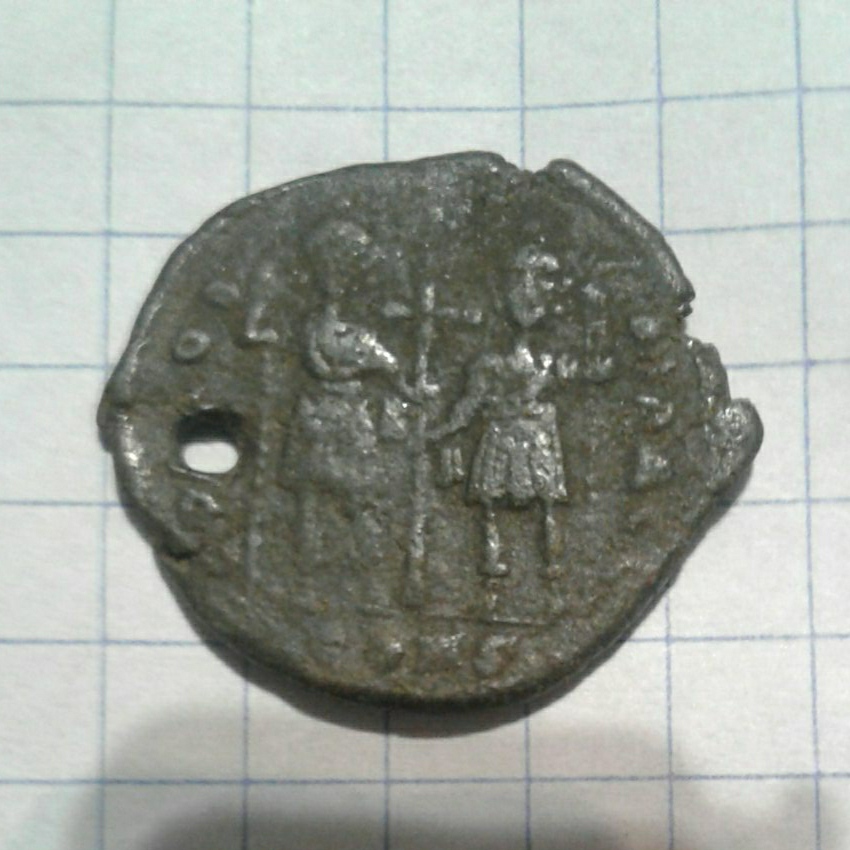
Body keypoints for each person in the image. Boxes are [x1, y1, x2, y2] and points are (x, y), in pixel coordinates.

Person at [428, 244, 568, 579]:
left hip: (524, 433)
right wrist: (443, 431)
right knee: (500, 506)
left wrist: (443, 430)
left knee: (529, 505)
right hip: (510, 433)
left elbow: (468, 407)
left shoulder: (543, 360)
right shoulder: (492, 363)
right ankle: (520, 564)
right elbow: (468, 406)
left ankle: (548, 564)